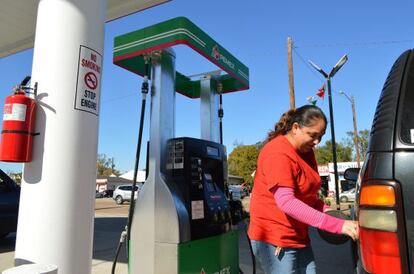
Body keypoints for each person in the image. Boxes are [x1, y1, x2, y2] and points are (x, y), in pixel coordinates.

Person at [248, 105, 359, 274]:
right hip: (275, 239)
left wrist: (329, 211)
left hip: (299, 237)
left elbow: (308, 198)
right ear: (295, 128)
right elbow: (287, 202)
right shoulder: (277, 153)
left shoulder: (306, 153)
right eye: (313, 135)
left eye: (320, 137)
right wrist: (336, 225)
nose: (316, 142)